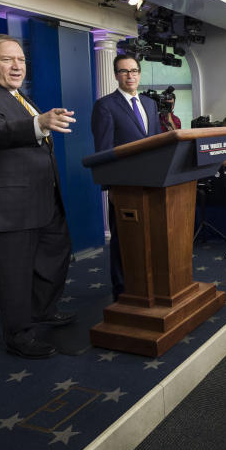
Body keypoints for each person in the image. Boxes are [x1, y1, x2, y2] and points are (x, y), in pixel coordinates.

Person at [0, 34, 76, 359]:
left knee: (54, 255)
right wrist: (39, 122)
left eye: (20, 60)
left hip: (41, 199)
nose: (17, 66)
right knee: (14, 275)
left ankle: (42, 310)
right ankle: (19, 336)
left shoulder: (16, 95)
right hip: (6, 206)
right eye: (8, 59)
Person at [91, 54, 162, 300]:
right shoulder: (105, 105)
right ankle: (121, 290)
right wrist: (111, 188)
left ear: (139, 74)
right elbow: (104, 151)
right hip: (124, 188)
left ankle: (148, 284)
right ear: (116, 75)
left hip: (152, 183)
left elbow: (157, 143)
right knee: (122, 240)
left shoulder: (150, 104)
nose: (130, 75)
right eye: (124, 71)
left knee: (151, 236)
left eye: (134, 71)